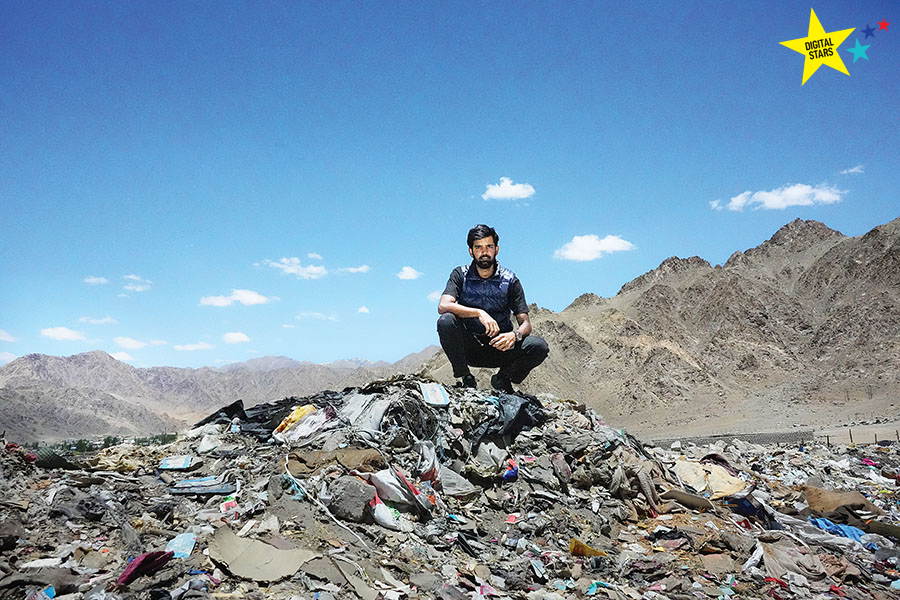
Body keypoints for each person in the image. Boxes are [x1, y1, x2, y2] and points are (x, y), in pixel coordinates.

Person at [437, 224, 549, 393]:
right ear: (471, 251)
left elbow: (526, 324)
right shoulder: (460, 275)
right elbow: (444, 305)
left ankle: (503, 377)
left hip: (500, 347)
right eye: (478, 247)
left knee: (539, 346)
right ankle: (466, 378)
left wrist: (514, 335)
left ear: (496, 249)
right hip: (470, 347)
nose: (484, 252)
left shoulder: (510, 280)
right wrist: (478, 312)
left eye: (489, 246)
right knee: (445, 320)